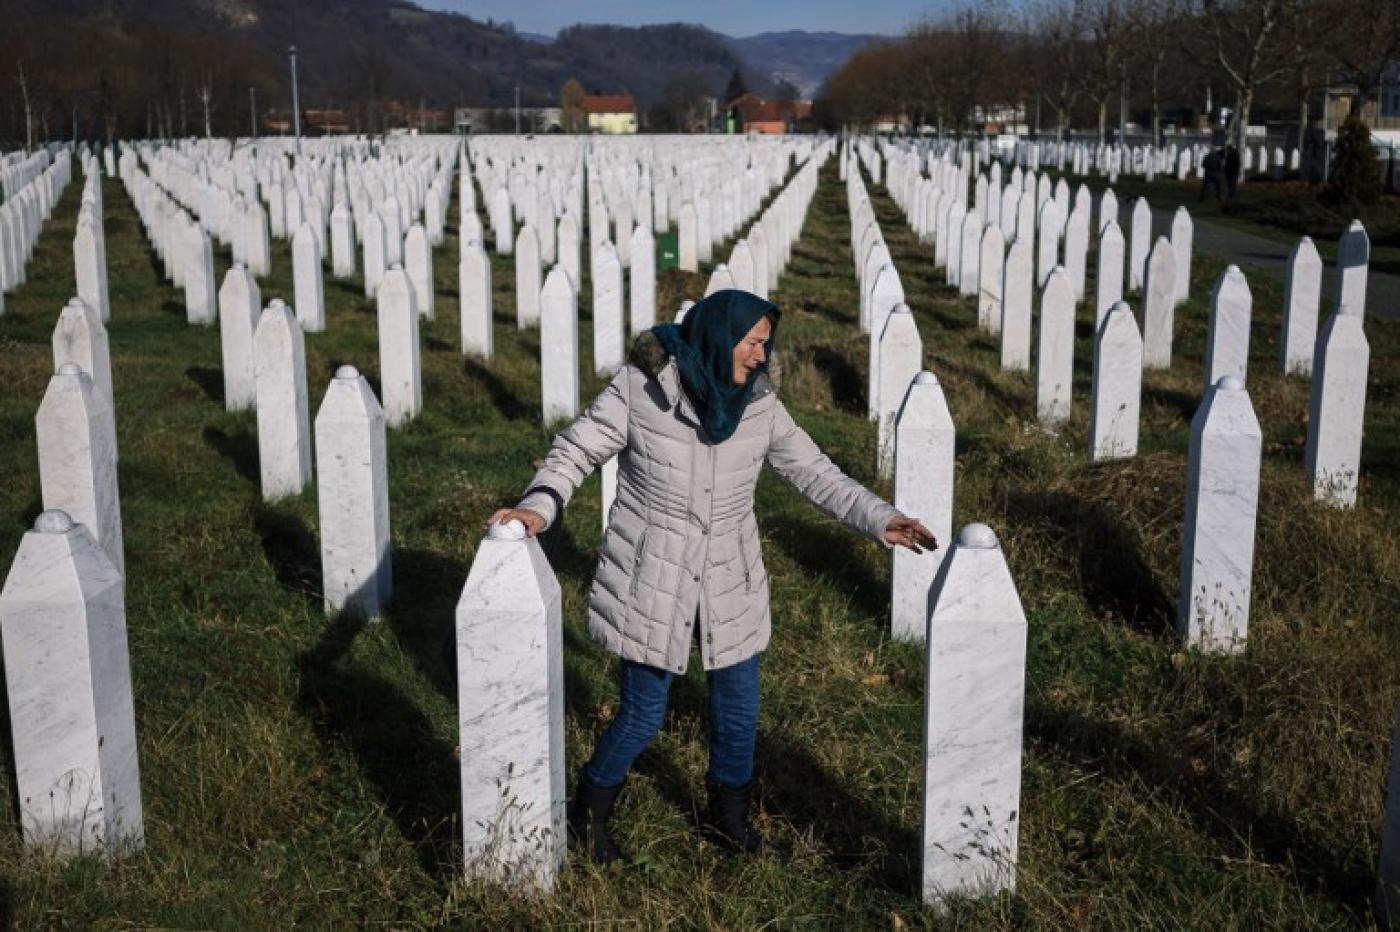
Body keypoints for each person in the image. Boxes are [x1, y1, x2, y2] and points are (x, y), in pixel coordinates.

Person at [485, 289, 937, 863]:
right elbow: (575, 451)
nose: (760, 357)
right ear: (719, 336)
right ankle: (586, 819)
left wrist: (881, 517)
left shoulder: (761, 404)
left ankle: (728, 823)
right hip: (654, 573)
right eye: (752, 343)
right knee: (644, 712)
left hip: (730, 574)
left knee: (739, 710)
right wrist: (539, 506)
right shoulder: (640, 389)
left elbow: (816, 473)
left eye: (766, 346)